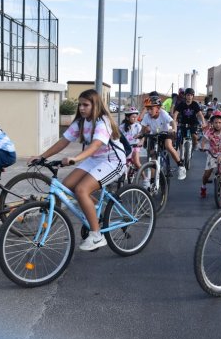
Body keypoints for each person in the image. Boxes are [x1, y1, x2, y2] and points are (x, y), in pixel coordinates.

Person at [29, 89, 127, 251]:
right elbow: (64, 141)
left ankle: (97, 236)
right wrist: (42, 156)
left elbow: (96, 145)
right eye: (80, 105)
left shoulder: (102, 122)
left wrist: (76, 158)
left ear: (95, 106)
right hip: (95, 160)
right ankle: (96, 210)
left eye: (86, 105)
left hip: (113, 160)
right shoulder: (81, 122)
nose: (81, 108)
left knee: (81, 190)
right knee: (67, 186)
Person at [140, 95, 187, 181]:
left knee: (168, 145)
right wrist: (141, 135)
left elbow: (172, 122)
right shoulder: (147, 116)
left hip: (166, 133)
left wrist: (174, 130)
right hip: (154, 135)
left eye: (151, 109)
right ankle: (152, 181)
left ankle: (181, 165)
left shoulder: (163, 113)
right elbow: (142, 129)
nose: (149, 111)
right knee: (152, 156)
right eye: (148, 109)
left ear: (158, 108)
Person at [200, 111, 221, 198]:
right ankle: (203, 187)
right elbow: (204, 139)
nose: (217, 124)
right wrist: (203, 146)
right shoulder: (209, 132)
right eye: (215, 122)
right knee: (207, 174)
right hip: (212, 154)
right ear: (212, 123)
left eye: (219, 122)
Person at [119, 108, 143, 172]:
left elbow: (142, 136)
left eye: (136, 117)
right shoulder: (122, 127)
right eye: (133, 117)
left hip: (135, 146)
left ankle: (145, 178)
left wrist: (141, 142)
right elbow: (118, 136)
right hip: (126, 147)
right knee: (122, 163)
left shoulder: (138, 126)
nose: (135, 119)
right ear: (127, 117)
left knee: (137, 162)